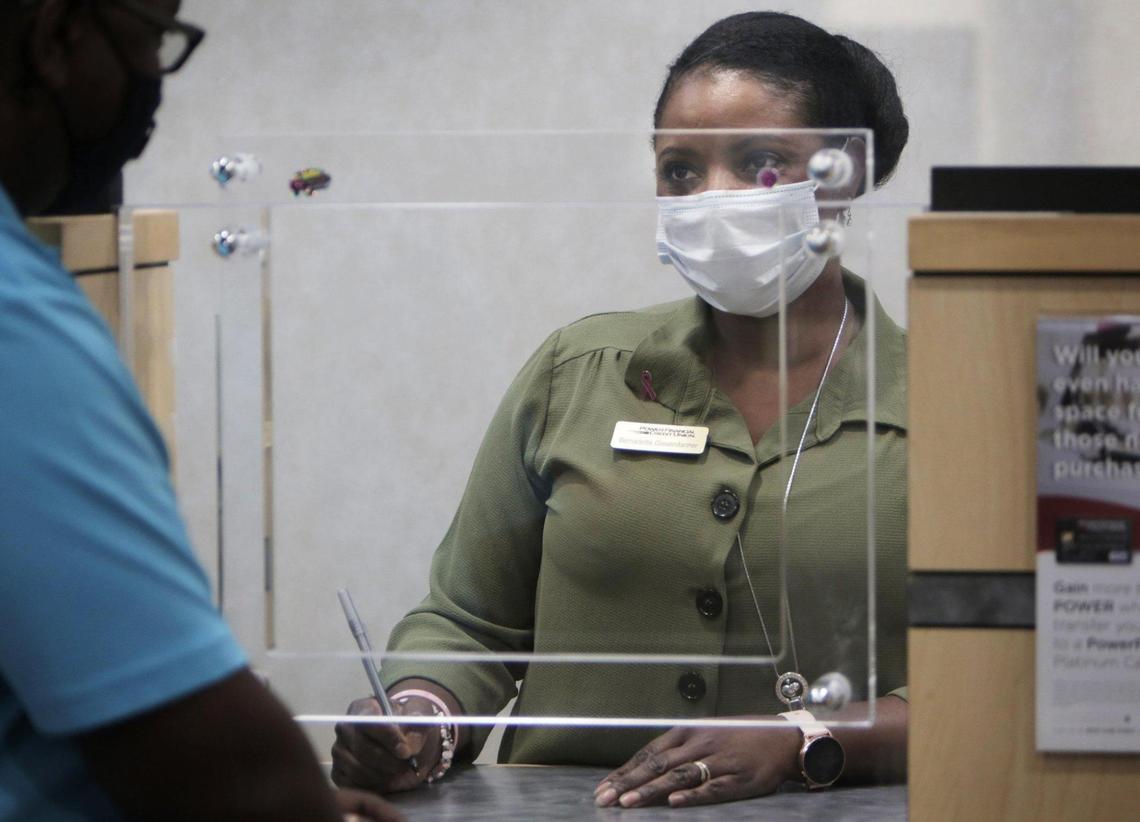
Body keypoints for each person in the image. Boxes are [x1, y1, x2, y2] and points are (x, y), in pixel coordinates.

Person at [332, 10, 909, 808]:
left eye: (760, 164)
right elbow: (470, 623)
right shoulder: (580, 371)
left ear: (843, 176)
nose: (712, 199)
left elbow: (999, 685)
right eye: (680, 171)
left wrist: (804, 736)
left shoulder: (941, 408)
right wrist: (419, 719)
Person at [0, 1, 401, 819]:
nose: (152, 84)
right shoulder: (19, 324)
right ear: (55, 40)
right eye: (152, 40)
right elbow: (220, 772)